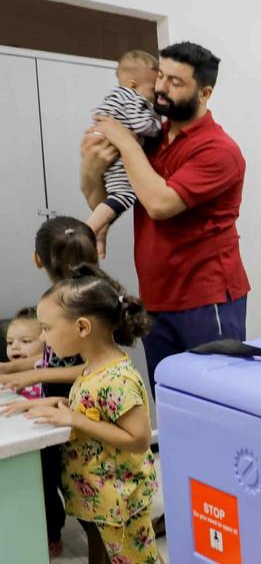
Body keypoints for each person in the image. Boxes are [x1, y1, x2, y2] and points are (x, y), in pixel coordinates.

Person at [80, 41, 249, 396]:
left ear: (204, 93)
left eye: (175, 82)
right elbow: (102, 198)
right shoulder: (152, 138)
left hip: (207, 300)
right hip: (156, 299)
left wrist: (125, 143)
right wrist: (92, 167)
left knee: (217, 402)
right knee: (171, 400)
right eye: (161, 77)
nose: (160, 88)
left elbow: (159, 204)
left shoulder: (219, 151)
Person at [2, 265, 159, 564]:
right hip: (104, 496)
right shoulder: (92, 366)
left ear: (83, 327)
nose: (45, 340)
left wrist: (76, 420)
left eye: (47, 329)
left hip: (121, 498)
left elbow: (138, 439)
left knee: (138, 560)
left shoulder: (118, 377)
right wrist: (51, 406)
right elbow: (93, 409)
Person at [0, 216, 98, 558]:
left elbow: (91, 369)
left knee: (88, 489)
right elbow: (54, 359)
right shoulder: (67, 297)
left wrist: (35, 377)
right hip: (64, 411)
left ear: (37, 259)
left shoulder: (75, 303)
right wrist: (13, 368)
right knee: (65, 478)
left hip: (84, 412)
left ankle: (100, 543)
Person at [85, 50, 162, 259]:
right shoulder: (133, 98)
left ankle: (100, 236)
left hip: (109, 153)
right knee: (124, 196)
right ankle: (87, 230)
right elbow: (141, 124)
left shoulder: (115, 96)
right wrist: (157, 125)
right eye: (152, 89)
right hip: (118, 157)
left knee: (112, 199)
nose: (156, 95)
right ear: (134, 84)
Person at [1, 308, 46, 399]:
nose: (14, 347)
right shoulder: (6, 373)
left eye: (25, 341)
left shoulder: (50, 368)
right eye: (10, 342)